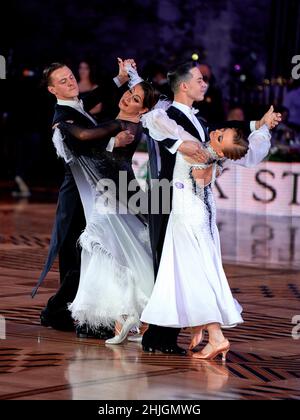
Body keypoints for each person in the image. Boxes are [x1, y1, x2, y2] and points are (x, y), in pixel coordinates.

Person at [141, 61, 281, 355]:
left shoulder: (196, 124)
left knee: (183, 268)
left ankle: (173, 334)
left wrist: (257, 128)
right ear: (184, 86)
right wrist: (259, 127)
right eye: (200, 79)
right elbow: (165, 126)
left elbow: (218, 144)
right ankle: (184, 328)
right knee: (177, 267)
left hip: (186, 206)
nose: (205, 83)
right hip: (171, 199)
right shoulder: (171, 117)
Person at [33, 60, 134, 339]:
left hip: (90, 193)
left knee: (86, 256)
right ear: (53, 89)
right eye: (63, 81)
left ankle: (63, 313)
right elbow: (86, 138)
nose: (70, 82)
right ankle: (69, 314)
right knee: (78, 257)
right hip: (77, 196)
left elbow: (94, 96)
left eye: (70, 77)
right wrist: (119, 126)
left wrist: (120, 78)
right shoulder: (61, 114)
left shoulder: (75, 105)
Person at [57, 77, 160, 345]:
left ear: (143, 110)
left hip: (117, 195)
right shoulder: (120, 121)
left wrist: (66, 128)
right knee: (120, 255)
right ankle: (127, 320)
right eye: (129, 93)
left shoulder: (127, 126)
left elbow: (89, 143)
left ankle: (130, 318)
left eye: (135, 99)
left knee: (121, 256)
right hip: (111, 193)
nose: (127, 98)